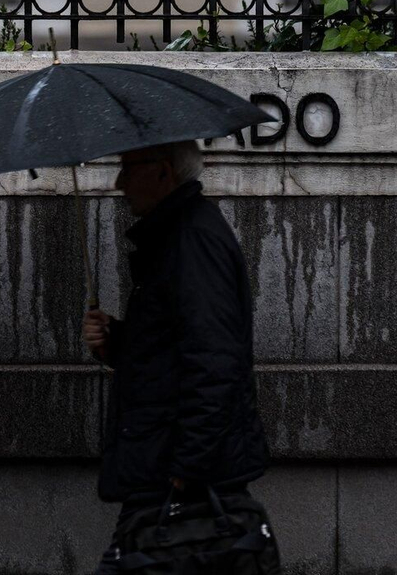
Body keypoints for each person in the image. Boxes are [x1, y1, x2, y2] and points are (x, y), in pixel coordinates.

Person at [82, 140, 269, 574]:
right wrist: (116, 342)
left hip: (174, 475)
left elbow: (216, 362)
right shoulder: (176, 237)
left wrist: (186, 470)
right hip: (165, 465)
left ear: (164, 172)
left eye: (129, 168)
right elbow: (174, 351)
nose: (120, 182)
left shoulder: (192, 240)